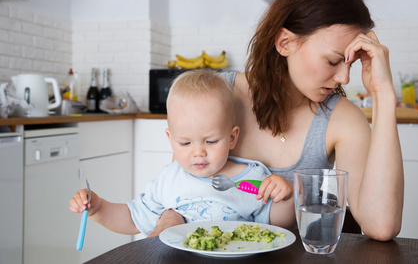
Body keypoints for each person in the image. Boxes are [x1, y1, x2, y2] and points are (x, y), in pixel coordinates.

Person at [153, 0, 404, 241]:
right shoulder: (215, 96)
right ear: (285, 43)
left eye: (350, 64)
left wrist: (384, 94)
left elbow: (381, 225)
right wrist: (168, 218)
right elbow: (178, 191)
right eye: (333, 62)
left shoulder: (342, 119)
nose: (344, 78)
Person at [69, 70, 295, 237]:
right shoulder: (170, 178)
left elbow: (276, 225)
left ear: (232, 137)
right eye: (185, 143)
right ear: (170, 139)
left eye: (211, 141)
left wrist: (284, 198)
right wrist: (98, 208)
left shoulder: (252, 178)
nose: (198, 152)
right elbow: (132, 219)